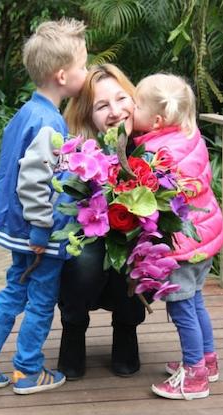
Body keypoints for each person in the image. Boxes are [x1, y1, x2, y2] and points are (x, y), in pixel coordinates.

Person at [0, 18, 88, 395]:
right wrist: (43, 229)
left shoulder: (26, 113)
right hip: (37, 233)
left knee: (15, 290)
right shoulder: (49, 123)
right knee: (41, 299)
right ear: (63, 76)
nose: (87, 72)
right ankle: (28, 370)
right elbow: (34, 183)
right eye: (83, 66)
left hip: (17, 228)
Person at [132, 73, 223, 400]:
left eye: (137, 105)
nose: (131, 108)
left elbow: (146, 198)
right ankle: (208, 360)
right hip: (205, 239)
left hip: (181, 246)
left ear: (156, 120)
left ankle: (195, 374)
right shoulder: (190, 135)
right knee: (197, 301)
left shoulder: (157, 154)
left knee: (183, 308)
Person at [57, 64, 145, 380]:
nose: (116, 111)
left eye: (122, 99)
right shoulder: (76, 149)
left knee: (137, 252)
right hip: (88, 236)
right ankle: (73, 328)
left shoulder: (154, 142)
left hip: (129, 239)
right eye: (102, 105)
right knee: (82, 261)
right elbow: (62, 209)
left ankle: (126, 329)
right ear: (87, 115)